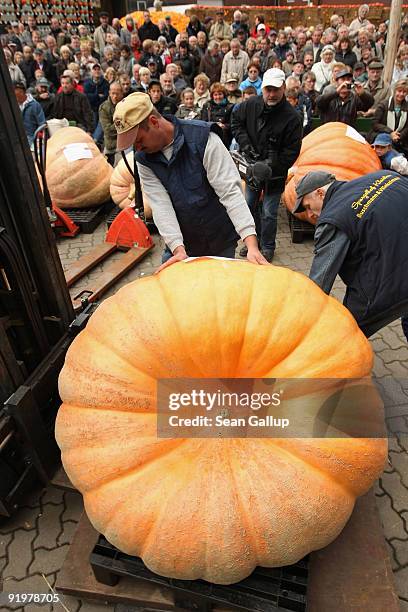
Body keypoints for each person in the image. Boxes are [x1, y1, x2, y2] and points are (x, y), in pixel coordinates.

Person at [113, 92, 267, 268]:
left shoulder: (203, 139)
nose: (137, 148)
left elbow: (230, 192)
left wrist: (251, 245)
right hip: (183, 241)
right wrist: (178, 249)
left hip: (219, 238)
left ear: (154, 122)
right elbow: (160, 205)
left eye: (138, 140)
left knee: (220, 290)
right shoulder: (143, 159)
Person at [292, 169, 408, 339]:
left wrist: (298, 324)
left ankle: (335, 358)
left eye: (308, 207)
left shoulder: (333, 219)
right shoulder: (387, 176)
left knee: (346, 333)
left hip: (391, 282)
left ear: (320, 193)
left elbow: (319, 283)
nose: (309, 214)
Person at [231, 68, 303, 262]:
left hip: (275, 173)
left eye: (275, 90)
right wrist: (245, 144)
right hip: (253, 167)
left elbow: (292, 151)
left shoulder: (292, 117)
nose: (271, 94)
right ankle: (253, 244)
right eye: (267, 89)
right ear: (262, 88)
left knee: (270, 212)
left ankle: (268, 246)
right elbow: (235, 121)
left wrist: (272, 166)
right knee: (249, 206)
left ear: (283, 89)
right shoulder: (251, 105)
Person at [372, 79, 408, 156]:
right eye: (399, 91)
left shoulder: (407, 106)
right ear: (394, 91)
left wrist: (398, 136)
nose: (401, 94)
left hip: (400, 140)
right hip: (382, 139)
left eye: (404, 92)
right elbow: (375, 124)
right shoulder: (383, 105)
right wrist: (390, 133)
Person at [14, 81, 45, 149]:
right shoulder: (13, 106)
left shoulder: (35, 105)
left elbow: (42, 125)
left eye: (15, 94)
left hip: (32, 140)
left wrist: (38, 140)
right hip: (18, 140)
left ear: (21, 92)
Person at [99, 80, 124, 165]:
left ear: (122, 94)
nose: (115, 96)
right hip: (110, 144)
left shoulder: (126, 106)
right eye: (113, 93)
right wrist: (121, 124)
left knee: (121, 165)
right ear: (109, 93)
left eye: (117, 94)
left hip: (124, 144)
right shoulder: (104, 108)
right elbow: (107, 130)